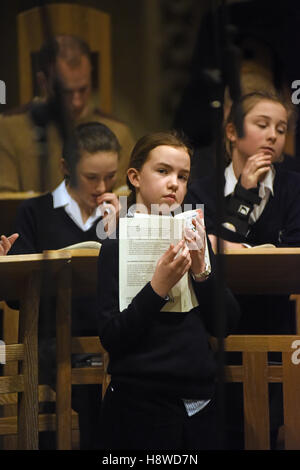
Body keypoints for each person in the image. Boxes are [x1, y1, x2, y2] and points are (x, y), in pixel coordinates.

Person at [97, 130, 240, 450]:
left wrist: (203, 269)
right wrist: (157, 287)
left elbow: (226, 323)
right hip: (138, 401)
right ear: (135, 176)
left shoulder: (193, 236)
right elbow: (111, 336)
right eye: (163, 171)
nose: (174, 182)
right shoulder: (115, 242)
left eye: (183, 175)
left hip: (199, 400)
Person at [185, 91, 300, 449]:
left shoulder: (294, 187)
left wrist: (233, 246)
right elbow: (205, 253)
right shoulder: (201, 189)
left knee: (269, 432)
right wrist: (245, 195)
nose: (273, 136)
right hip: (216, 327)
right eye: (262, 125)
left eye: (281, 129)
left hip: (277, 325)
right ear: (232, 132)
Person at [9, 121, 121, 449]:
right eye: (92, 177)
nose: (103, 186)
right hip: (52, 343)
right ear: (65, 168)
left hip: (109, 342)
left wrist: (117, 234)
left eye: (111, 176)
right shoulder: (36, 212)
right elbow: (18, 298)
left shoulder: (123, 212)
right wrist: (10, 268)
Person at [0, 34, 135, 193]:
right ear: (43, 82)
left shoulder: (118, 132)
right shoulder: (8, 129)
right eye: (66, 92)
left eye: (83, 89)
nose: (77, 101)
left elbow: (129, 200)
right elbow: (6, 205)